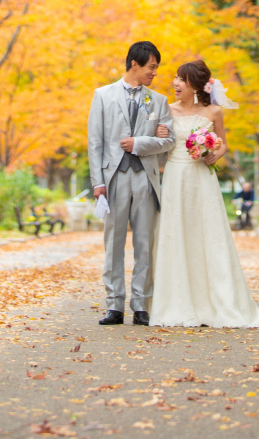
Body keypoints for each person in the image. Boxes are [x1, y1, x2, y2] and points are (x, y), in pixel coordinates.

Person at [148, 59, 259, 329]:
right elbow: (160, 144)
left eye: (181, 79)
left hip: (203, 180)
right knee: (175, 233)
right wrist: (158, 132)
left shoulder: (214, 112)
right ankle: (176, 302)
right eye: (175, 78)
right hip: (175, 178)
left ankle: (217, 301)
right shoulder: (166, 109)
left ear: (194, 83)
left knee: (209, 236)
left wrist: (214, 154)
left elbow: (223, 144)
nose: (175, 83)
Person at [87, 40, 175, 326]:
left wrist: (140, 142)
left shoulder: (159, 101)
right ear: (134, 64)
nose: (154, 73)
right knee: (113, 242)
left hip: (146, 179)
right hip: (113, 179)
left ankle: (141, 305)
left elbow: (168, 140)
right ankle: (114, 305)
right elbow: (95, 142)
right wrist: (97, 182)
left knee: (144, 242)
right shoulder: (102, 95)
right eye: (151, 67)